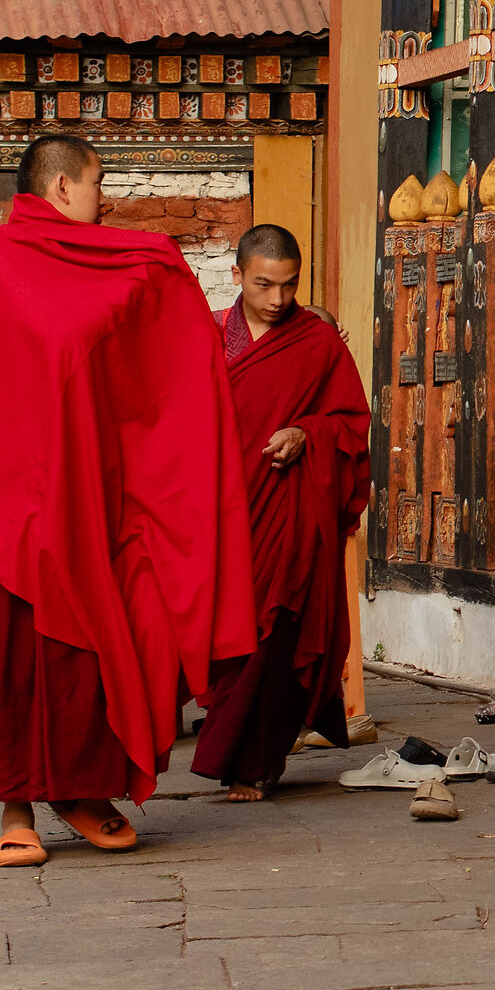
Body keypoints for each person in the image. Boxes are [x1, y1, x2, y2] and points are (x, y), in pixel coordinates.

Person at [0, 134, 255, 867]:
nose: (104, 200)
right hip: (13, 506)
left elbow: (135, 371)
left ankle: (82, 791)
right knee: (14, 657)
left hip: (93, 497)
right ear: (65, 186)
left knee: (101, 647)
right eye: (99, 184)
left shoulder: (119, 265)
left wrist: (162, 270)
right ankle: (15, 808)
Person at [191, 225, 371, 801]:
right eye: (263, 284)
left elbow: (350, 422)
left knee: (274, 628)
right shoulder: (210, 335)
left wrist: (305, 432)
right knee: (221, 630)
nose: (276, 299)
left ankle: (254, 761)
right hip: (217, 510)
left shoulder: (316, 342)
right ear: (238, 274)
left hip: (286, 512)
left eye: (288, 285)